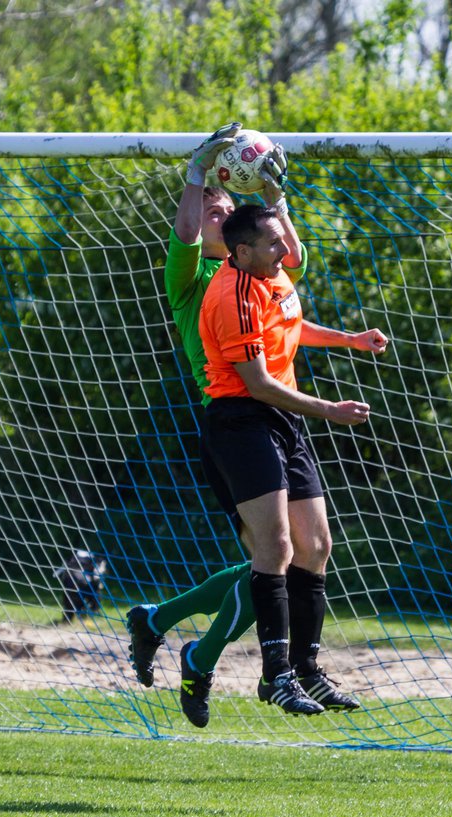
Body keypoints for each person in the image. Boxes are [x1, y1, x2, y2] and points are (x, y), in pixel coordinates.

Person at [126, 123, 302, 728]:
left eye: (226, 206)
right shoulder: (190, 278)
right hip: (232, 421)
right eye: (208, 208)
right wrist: (197, 172)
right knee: (272, 560)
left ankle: (160, 625)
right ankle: (194, 652)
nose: (217, 211)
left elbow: (292, 272)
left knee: (276, 558)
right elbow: (182, 230)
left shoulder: (256, 274)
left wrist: (274, 196)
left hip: (273, 419)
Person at [198, 202, 388, 715]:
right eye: (274, 243)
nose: (286, 250)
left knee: (318, 545)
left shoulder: (273, 276)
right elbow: (257, 384)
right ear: (242, 252)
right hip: (241, 420)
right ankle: (275, 675)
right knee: (276, 545)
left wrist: (348, 339)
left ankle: (307, 669)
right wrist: (330, 410)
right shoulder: (231, 294)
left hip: (283, 418)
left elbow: (291, 325)